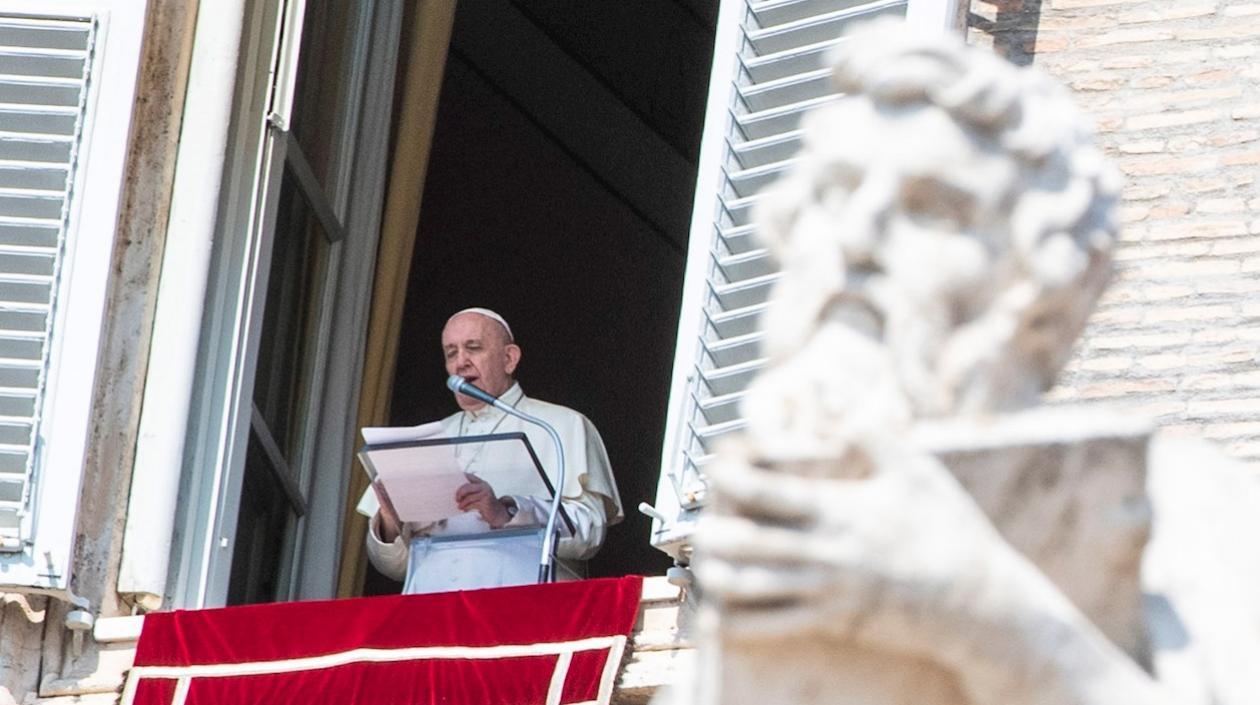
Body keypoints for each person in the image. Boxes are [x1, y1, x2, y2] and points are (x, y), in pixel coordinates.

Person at [365, 308, 623, 594]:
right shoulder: (422, 440)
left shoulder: (560, 425)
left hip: (523, 604)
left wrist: (507, 513)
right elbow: (395, 568)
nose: (461, 362)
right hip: (432, 604)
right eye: (451, 353)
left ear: (509, 358)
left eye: (473, 348)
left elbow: (590, 535)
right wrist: (390, 522)